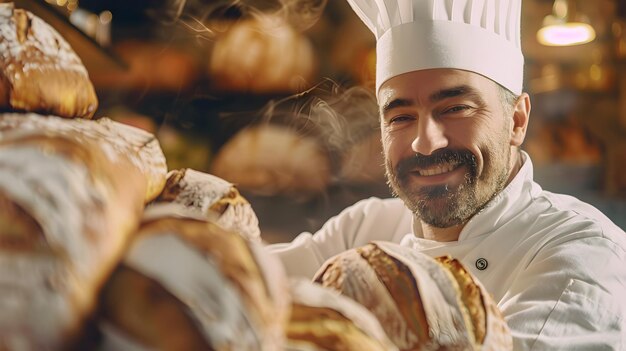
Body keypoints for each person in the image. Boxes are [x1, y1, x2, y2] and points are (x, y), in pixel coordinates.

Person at [268, 0, 626, 349]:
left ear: (517, 120)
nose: (426, 142)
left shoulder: (584, 255)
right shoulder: (366, 229)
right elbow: (238, 288)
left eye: (456, 108)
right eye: (401, 117)